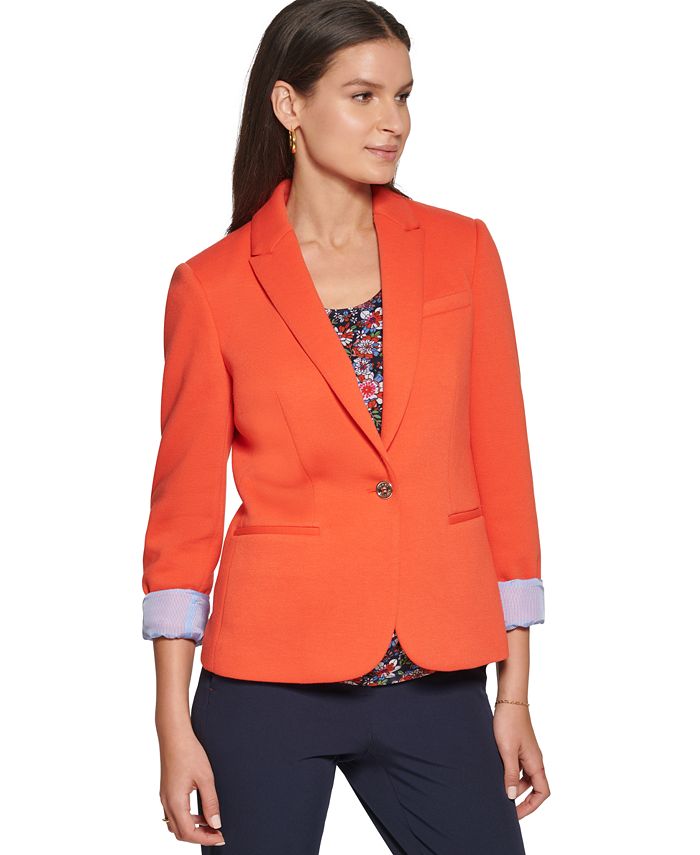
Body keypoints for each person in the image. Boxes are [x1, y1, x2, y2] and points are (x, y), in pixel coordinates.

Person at [140, 1, 550, 851]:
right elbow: (182, 522)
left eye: (403, 96)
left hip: (436, 676)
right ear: (289, 105)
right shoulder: (211, 287)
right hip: (266, 683)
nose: (393, 121)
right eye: (363, 96)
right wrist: (172, 723)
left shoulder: (463, 250)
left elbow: (503, 472)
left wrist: (513, 693)